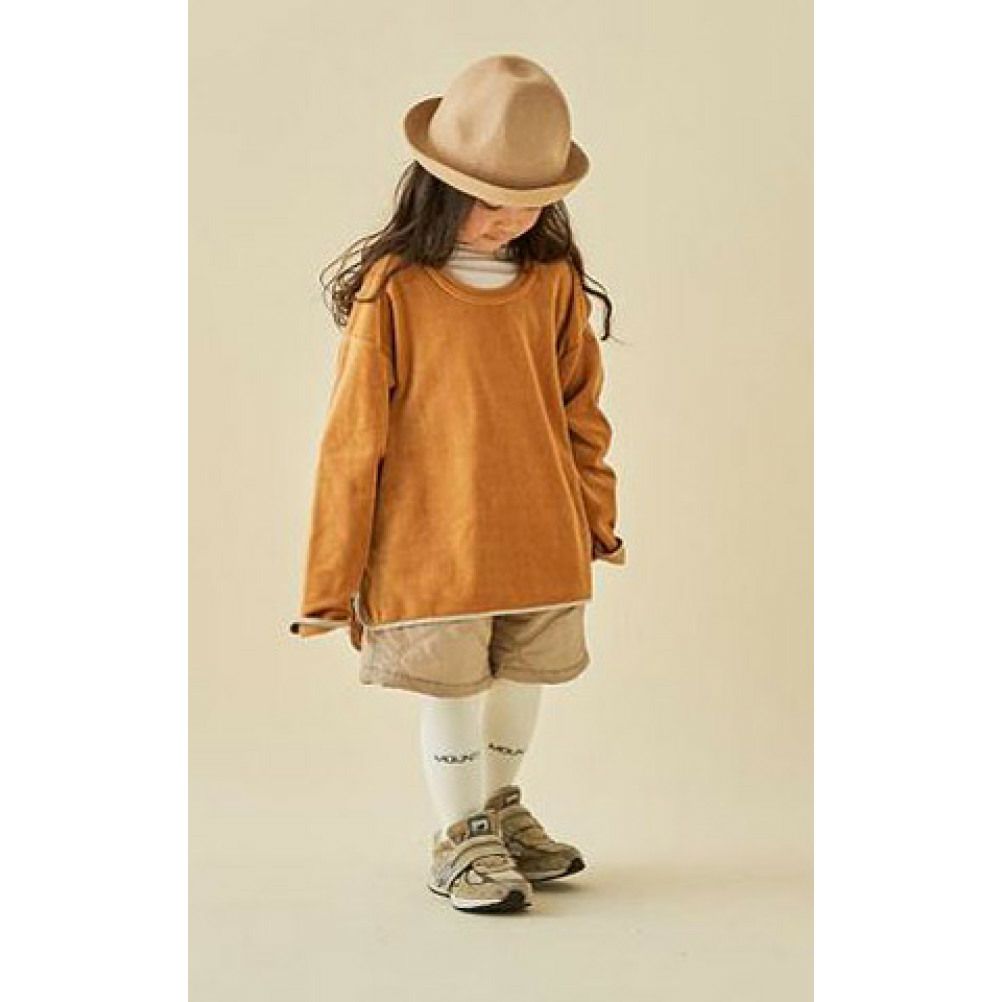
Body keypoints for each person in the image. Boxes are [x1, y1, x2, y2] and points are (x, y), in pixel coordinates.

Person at [288, 54, 627, 913]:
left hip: (540, 533)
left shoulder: (551, 284)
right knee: (452, 691)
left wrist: (596, 516)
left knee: (523, 680)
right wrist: (331, 580)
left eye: (529, 201)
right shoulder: (396, 290)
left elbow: (581, 411)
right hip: (431, 545)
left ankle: (499, 812)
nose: (509, 219)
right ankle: (459, 835)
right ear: (437, 187)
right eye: (489, 198)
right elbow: (351, 439)